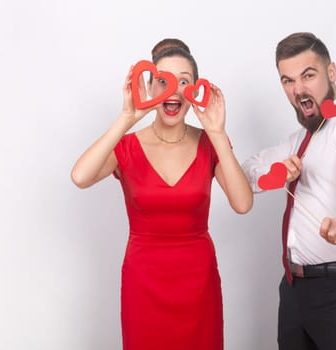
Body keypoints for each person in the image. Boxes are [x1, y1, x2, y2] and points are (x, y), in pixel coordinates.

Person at [71, 38, 253, 350]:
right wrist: (127, 117)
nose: (174, 90)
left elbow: (243, 203)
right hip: (143, 284)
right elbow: (80, 176)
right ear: (151, 88)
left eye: (184, 81)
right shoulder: (127, 146)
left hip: (198, 284)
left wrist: (218, 133)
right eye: (163, 81)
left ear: (195, 91)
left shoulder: (210, 144)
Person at [243, 32, 336, 349]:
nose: (298, 89)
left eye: (308, 75)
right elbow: (247, 172)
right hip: (295, 292)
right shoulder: (298, 140)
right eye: (288, 80)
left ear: (331, 72)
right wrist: (279, 172)